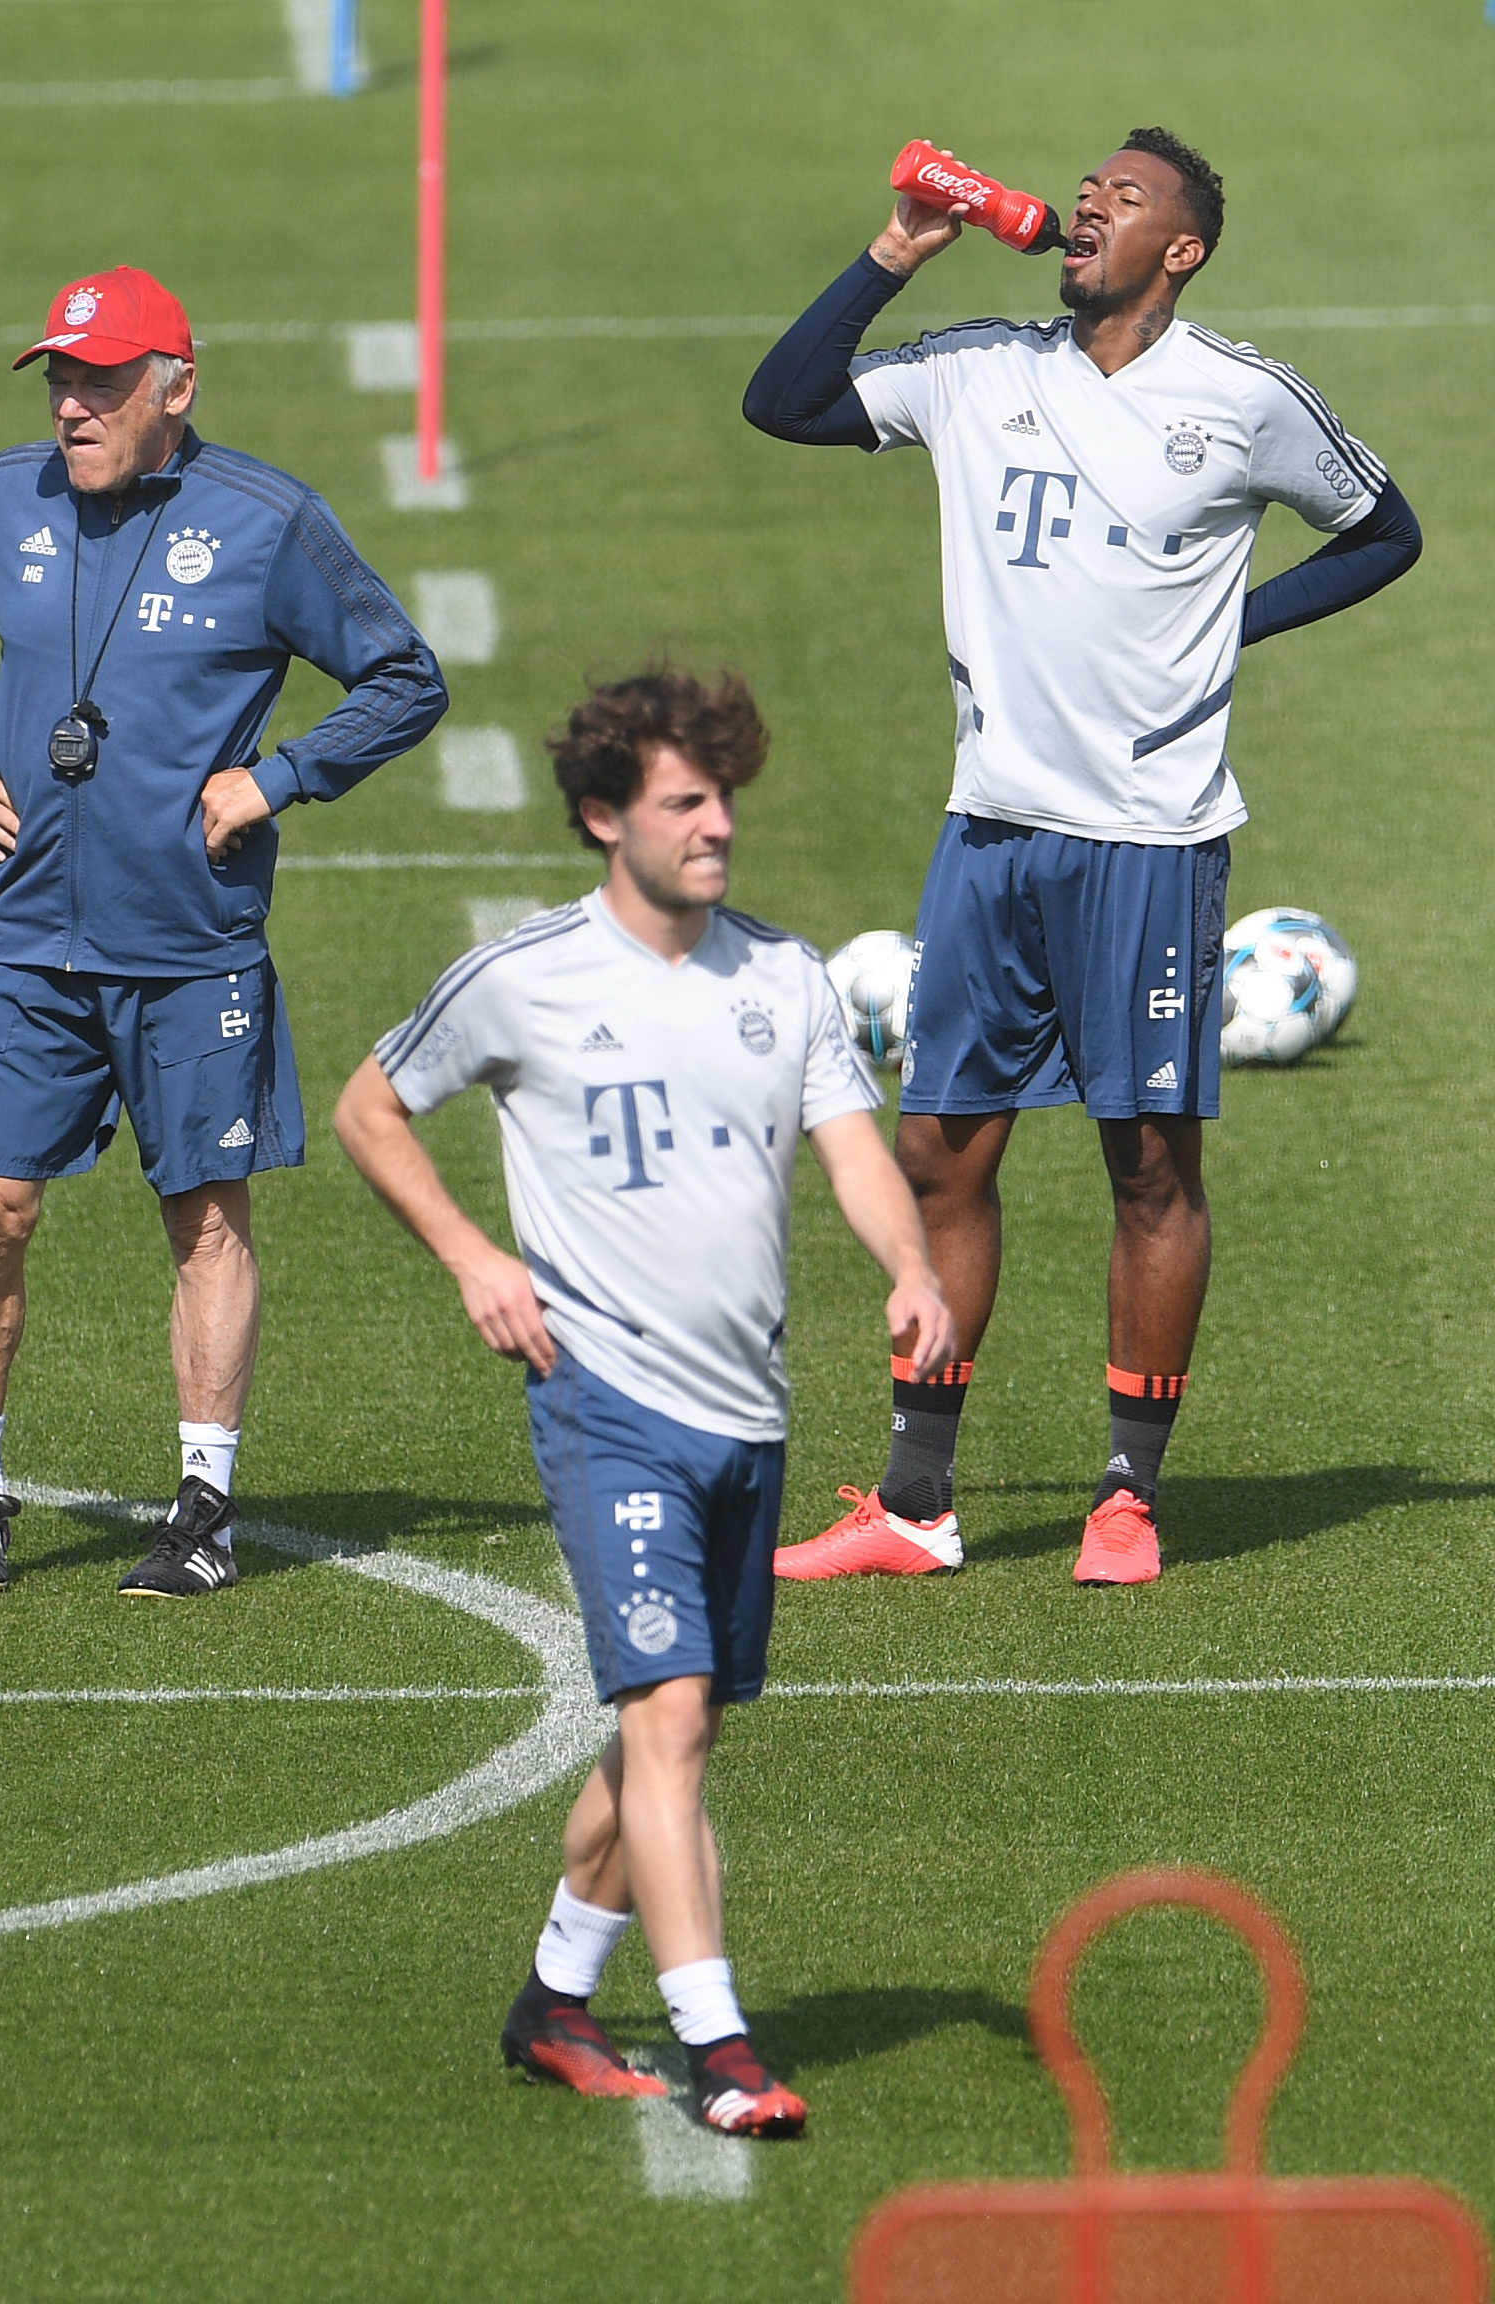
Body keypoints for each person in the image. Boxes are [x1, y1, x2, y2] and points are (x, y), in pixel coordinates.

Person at [739, 128, 1423, 1588]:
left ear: (1181, 249)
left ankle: (1126, 1497)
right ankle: (914, 1503)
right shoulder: (979, 365)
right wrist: (895, 252)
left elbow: (1384, 531)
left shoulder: (1244, 400)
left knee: (1149, 1166)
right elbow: (782, 403)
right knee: (938, 1152)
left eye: (1128, 196)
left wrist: (1239, 624)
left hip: (1149, 842)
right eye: (1088, 189)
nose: (1090, 202)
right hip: (990, 827)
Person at [333, 665, 951, 2141]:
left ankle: (554, 1999)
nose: (717, 823)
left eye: (722, 795)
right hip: (604, 1401)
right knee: (667, 1715)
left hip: (749, 1415)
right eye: (685, 802)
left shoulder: (783, 979)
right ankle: (718, 2045)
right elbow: (369, 1107)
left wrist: (914, 1267)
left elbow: (852, 1149)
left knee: (673, 1733)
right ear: (607, 818)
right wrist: (474, 1255)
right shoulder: (526, 977)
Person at [0, 265, 445, 1601]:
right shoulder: (3, 497)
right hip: (32, 936)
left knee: (202, 1219)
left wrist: (280, 777)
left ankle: (203, 1506)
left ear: (174, 389)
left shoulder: (265, 519)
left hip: (194, 943)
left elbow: (404, 675)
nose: (71, 407)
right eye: (59, 379)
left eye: (100, 382)